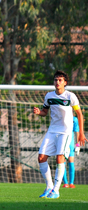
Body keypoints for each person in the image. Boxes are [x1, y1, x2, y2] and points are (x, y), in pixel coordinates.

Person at [33, 70, 87, 199]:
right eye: (55, 80)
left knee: (59, 158)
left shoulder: (70, 96)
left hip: (65, 131)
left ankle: (56, 191)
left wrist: (81, 134)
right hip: (52, 130)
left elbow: (79, 114)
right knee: (41, 157)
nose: (57, 82)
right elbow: (45, 112)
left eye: (60, 80)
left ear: (65, 83)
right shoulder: (49, 96)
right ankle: (49, 187)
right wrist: (38, 112)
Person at [62, 116, 80, 188]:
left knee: (71, 161)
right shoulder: (62, 117)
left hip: (71, 144)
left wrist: (77, 145)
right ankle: (65, 183)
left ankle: (71, 183)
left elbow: (77, 132)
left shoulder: (74, 119)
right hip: (63, 144)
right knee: (62, 162)